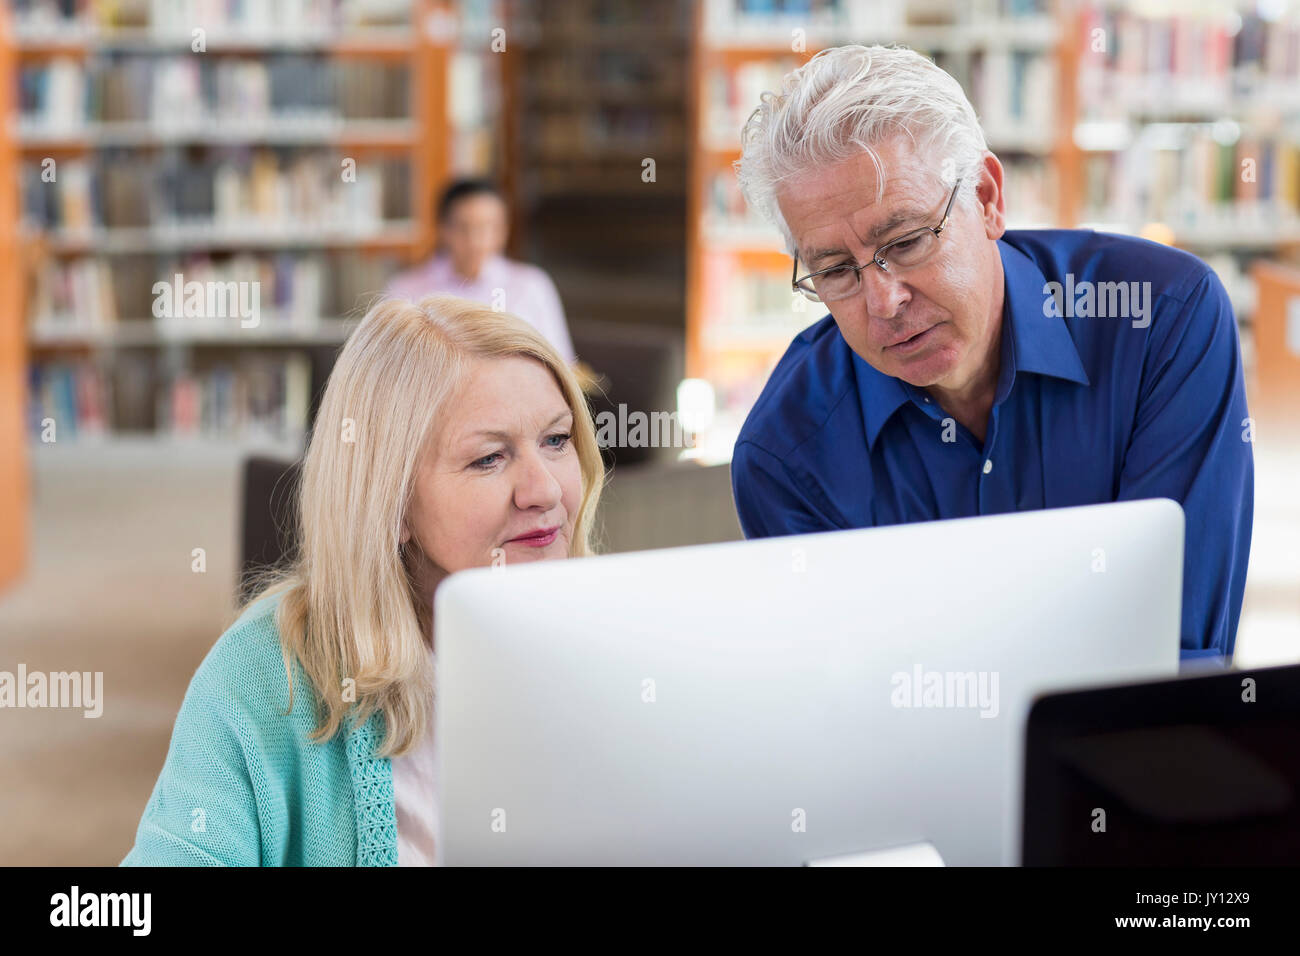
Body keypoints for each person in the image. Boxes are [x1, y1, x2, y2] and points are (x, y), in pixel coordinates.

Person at [729, 45, 1253, 663]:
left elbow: (1176, 648)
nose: (884, 302)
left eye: (906, 240)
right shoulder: (786, 454)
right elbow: (848, 708)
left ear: (986, 197)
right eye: (836, 270)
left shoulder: (1160, 318)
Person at [120, 295, 605, 865]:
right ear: (391, 502)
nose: (545, 490)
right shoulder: (263, 676)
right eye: (489, 459)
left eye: (556, 440)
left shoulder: (615, 636)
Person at [386, 178, 577, 364]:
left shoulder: (531, 284)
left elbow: (560, 361)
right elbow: (391, 361)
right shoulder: (407, 288)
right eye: (463, 227)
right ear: (443, 229)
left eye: (488, 227)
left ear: (504, 230)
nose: (476, 240)